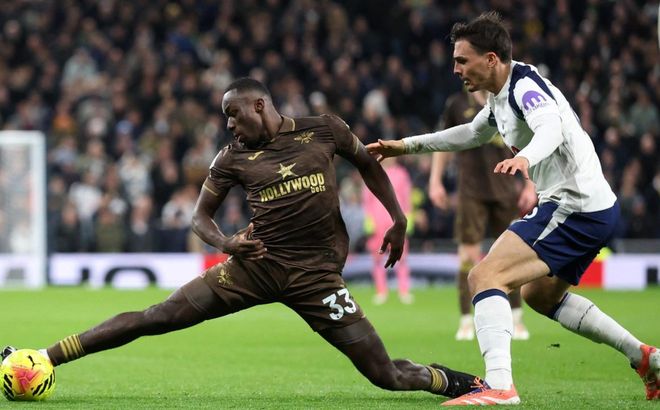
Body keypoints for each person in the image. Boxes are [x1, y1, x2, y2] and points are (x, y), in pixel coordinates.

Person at [2, 78, 480, 399]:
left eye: (233, 114)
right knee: (157, 316)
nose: (229, 125)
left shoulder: (324, 130)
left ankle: (464, 385)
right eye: (225, 118)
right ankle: (45, 356)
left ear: (259, 105)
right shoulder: (231, 158)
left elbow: (369, 164)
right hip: (254, 267)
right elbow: (199, 218)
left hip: (317, 279)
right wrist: (228, 245)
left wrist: (398, 216)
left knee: (386, 375)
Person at [366, 12, 659, 406]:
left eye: (462, 60)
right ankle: (644, 356)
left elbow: (550, 126)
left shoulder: (524, 87)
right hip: (592, 207)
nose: (455, 69)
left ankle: (500, 386)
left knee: (484, 275)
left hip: (574, 207)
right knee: (540, 296)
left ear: (491, 59)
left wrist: (525, 158)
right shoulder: (499, 97)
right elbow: (470, 133)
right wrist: (405, 146)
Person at [428, 88, 536, 340]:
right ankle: (466, 321)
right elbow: (443, 142)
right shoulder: (456, 103)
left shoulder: (508, 100)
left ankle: (516, 319)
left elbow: (529, 143)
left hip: (506, 191)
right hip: (471, 192)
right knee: (467, 255)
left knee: (512, 256)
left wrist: (531, 185)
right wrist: (435, 181)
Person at [362, 156, 413, 305]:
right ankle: (381, 291)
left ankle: (404, 290)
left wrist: (408, 217)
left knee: (401, 256)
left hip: (396, 220)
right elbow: (367, 198)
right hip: (378, 221)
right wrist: (369, 220)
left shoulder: (402, 174)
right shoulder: (374, 172)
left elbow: (406, 197)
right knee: (377, 257)